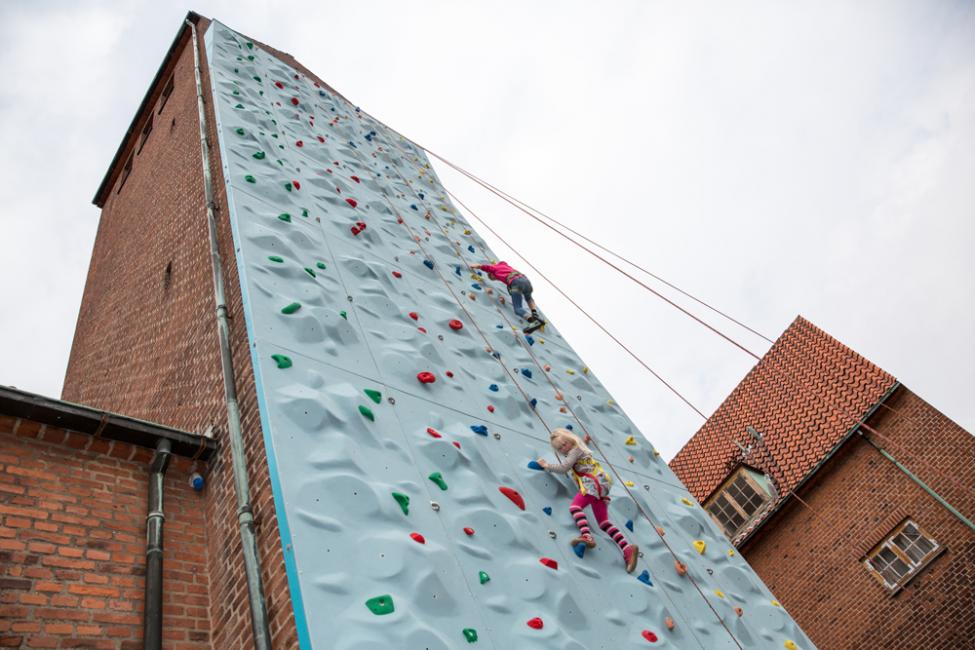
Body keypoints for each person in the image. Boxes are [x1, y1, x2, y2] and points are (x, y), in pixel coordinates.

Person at [536, 428, 639, 573]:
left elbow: (564, 467)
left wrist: (547, 466)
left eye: (564, 444)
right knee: (604, 523)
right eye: (560, 448)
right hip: (601, 485)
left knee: (575, 508)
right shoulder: (579, 451)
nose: (563, 448)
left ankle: (587, 536)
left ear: (571, 439)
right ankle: (627, 550)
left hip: (592, 484)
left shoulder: (575, 450)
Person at [471, 261, 545, 333]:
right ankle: (535, 314)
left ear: (491, 274)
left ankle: (533, 321)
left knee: (518, 308)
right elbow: (503, 263)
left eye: (493, 278)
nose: (496, 279)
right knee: (529, 298)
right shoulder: (505, 266)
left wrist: (476, 266)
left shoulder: (494, 269)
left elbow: (485, 267)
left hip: (515, 283)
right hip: (526, 281)